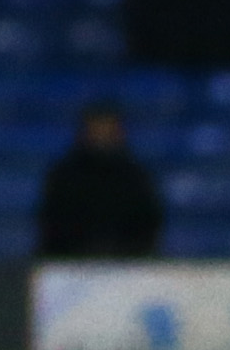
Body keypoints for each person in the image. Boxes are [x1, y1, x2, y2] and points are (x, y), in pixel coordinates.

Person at [33, 102, 164, 259]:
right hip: (71, 264)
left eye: (108, 128)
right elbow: (51, 222)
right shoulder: (64, 176)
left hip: (126, 264)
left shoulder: (135, 176)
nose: (102, 134)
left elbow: (147, 222)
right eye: (97, 128)